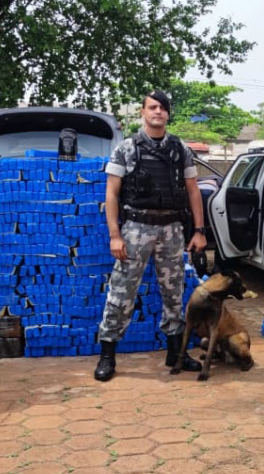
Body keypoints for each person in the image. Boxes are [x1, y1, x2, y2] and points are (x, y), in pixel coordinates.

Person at [93, 90, 207, 382]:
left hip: (171, 229)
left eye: (162, 108)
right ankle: (107, 355)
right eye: (152, 107)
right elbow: (112, 193)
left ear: (168, 114)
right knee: (121, 292)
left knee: (174, 291)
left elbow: (193, 190)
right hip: (136, 229)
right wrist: (115, 235)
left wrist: (199, 230)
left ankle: (175, 353)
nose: (158, 112)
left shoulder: (180, 149)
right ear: (143, 112)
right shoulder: (127, 148)